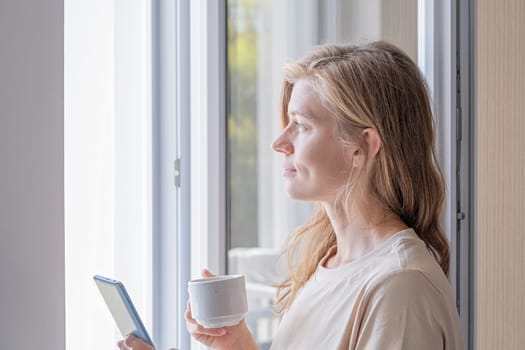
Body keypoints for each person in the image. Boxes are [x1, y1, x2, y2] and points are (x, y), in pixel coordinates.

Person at [118, 41, 464, 350]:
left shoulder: (399, 289)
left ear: (363, 147)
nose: (279, 142)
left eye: (301, 124)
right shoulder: (331, 262)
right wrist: (237, 344)